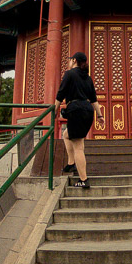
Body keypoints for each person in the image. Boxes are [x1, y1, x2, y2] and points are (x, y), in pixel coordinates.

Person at [55, 51, 104, 189]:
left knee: (78, 146)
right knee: (67, 135)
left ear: (74, 60)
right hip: (88, 110)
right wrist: (100, 115)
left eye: (70, 59)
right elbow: (94, 99)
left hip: (76, 110)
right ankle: (71, 164)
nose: (69, 61)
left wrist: (54, 111)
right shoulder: (88, 78)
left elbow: (60, 94)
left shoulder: (69, 74)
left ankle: (83, 179)